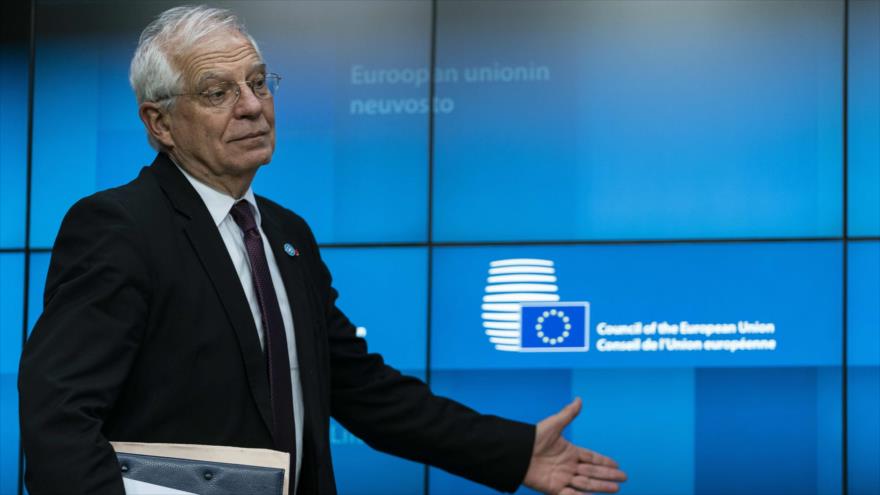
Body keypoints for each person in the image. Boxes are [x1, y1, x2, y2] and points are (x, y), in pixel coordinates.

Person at [18, 6, 627, 495]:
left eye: (258, 83)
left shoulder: (287, 234)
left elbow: (360, 388)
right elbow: (59, 418)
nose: (252, 106)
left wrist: (513, 452)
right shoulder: (119, 226)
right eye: (217, 91)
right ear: (160, 123)